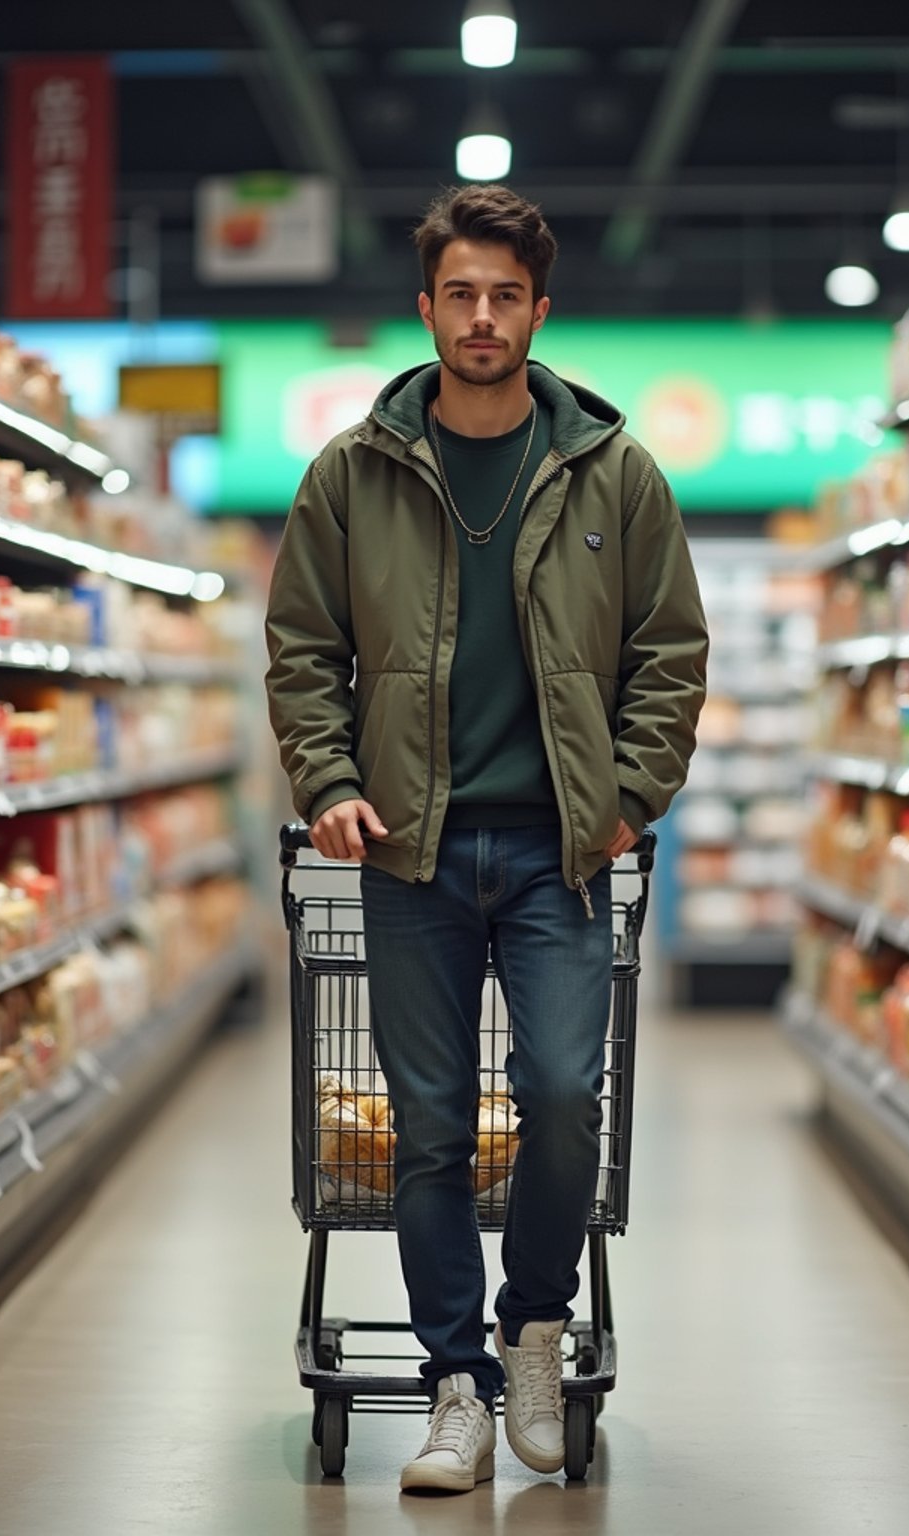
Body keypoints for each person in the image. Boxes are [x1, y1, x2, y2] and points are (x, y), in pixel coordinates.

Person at [265, 183, 708, 1494]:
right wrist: (328, 776)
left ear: (538, 312)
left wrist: (633, 794)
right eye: (460, 293)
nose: (481, 316)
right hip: (407, 856)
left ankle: (532, 1330)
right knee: (434, 1129)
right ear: (427, 309)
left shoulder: (614, 472)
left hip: (561, 857)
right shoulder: (352, 472)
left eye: (504, 295)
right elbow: (301, 654)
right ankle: (454, 1385)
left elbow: (670, 654)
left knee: (570, 1099)